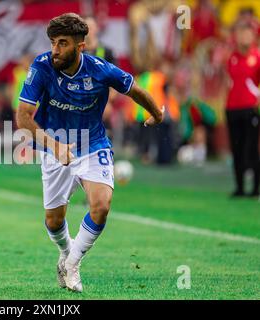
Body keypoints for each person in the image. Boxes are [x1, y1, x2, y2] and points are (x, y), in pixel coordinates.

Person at [16, 13, 164, 293]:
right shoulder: (42, 66)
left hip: (93, 144)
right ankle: (65, 251)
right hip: (54, 146)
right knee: (54, 220)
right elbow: (23, 117)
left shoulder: (101, 69)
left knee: (101, 206)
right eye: (53, 43)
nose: (55, 50)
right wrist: (54, 146)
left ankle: (72, 264)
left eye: (62, 43)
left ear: (80, 46)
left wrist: (156, 114)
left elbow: (134, 90)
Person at [225, 21, 260, 198]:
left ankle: (255, 188)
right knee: (236, 149)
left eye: (247, 34)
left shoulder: (257, 57)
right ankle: (239, 187)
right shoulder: (232, 58)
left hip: (250, 108)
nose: (244, 37)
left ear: (253, 36)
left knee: (251, 149)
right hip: (232, 108)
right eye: (241, 34)